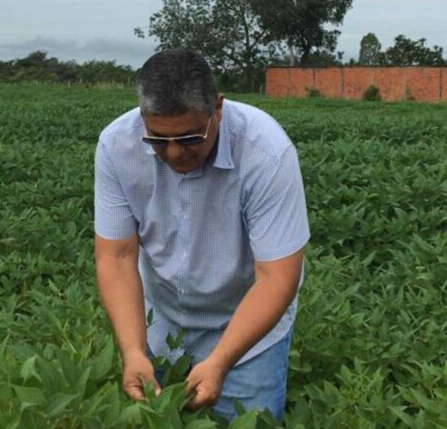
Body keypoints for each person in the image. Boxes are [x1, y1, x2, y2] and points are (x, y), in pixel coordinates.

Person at [93, 48, 309, 421]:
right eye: (158, 140)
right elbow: (116, 256)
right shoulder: (116, 146)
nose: (174, 153)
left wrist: (222, 360)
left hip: (247, 338)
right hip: (160, 329)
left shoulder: (266, 153)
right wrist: (133, 350)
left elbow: (277, 277)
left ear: (218, 109)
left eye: (190, 138)